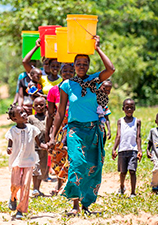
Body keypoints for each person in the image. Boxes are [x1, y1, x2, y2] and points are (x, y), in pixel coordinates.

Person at [48, 35, 115, 216]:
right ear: (74, 65)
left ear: (88, 65)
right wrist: (53, 135)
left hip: (93, 130)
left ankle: (86, 205)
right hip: (75, 130)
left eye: (85, 63)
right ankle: (75, 206)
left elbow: (111, 68)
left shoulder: (95, 80)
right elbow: (60, 112)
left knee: (93, 167)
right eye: (79, 63)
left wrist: (98, 48)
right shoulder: (66, 85)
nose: (82, 66)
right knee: (77, 163)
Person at [5, 105, 47, 219]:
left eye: (24, 112)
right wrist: (9, 149)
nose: (25, 114)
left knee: (25, 186)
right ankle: (13, 197)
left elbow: (39, 144)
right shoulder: (12, 131)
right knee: (15, 184)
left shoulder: (32, 129)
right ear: (14, 119)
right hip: (17, 162)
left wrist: (46, 146)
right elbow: (9, 145)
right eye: (21, 113)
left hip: (29, 161)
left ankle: (20, 210)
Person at [45, 63, 75, 195]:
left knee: (72, 155)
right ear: (61, 73)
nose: (67, 73)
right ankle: (59, 182)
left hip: (75, 126)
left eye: (70, 71)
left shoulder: (78, 89)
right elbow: (51, 114)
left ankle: (67, 186)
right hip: (60, 128)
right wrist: (49, 134)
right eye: (65, 71)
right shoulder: (53, 91)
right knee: (58, 156)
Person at [112, 98, 143, 198]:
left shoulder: (137, 121)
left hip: (133, 150)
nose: (129, 109)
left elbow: (138, 137)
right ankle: (121, 187)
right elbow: (118, 135)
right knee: (123, 172)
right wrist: (114, 149)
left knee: (132, 171)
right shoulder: (120, 121)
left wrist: (140, 150)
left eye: (131, 107)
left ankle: (133, 192)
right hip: (122, 150)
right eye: (127, 107)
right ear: (123, 109)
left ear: (134, 109)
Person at [28, 97, 48, 197]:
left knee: (43, 168)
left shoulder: (48, 118)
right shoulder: (31, 118)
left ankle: (38, 189)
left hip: (45, 147)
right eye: (36, 105)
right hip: (34, 147)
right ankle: (35, 188)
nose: (39, 107)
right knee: (36, 167)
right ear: (33, 107)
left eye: (41, 105)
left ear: (46, 106)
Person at [98, 80, 113, 145]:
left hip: (101, 130)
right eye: (104, 89)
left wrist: (109, 130)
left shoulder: (104, 105)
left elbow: (106, 118)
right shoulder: (93, 102)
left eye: (108, 90)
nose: (106, 92)